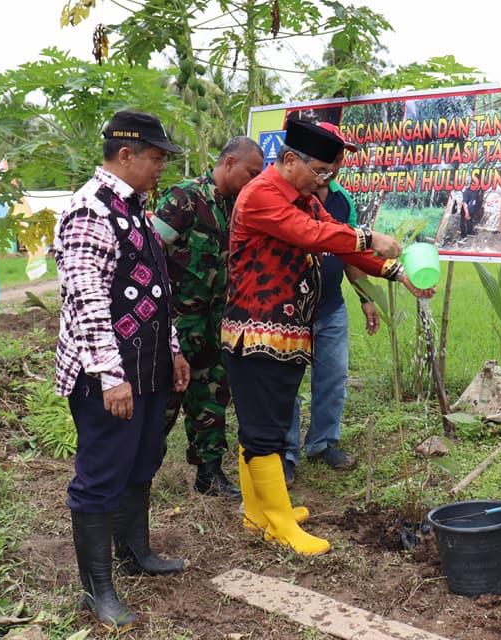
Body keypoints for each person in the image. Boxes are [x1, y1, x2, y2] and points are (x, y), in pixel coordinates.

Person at [221, 117, 433, 556]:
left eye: (330, 175)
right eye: (320, 172)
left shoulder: (303, 197)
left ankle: (257, 513)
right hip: (256, 331)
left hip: (285, 333)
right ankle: (278, 523)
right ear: (291, 158)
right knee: (264, 432)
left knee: (266, 425)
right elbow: (312, 235)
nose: (324, 182)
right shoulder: (261, 194)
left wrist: (398, 273)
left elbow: (340, 247)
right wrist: (369, 235)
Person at [54, 109, 191, 630]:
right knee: (101, 475)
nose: (161, 167)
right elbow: (86, 301)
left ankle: (136, 553)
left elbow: (155, 287)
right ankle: (97, 590)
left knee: (142, 460)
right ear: (126, 154)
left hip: (149, 365)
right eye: (156, 158)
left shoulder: (132, 206)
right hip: (107, 373)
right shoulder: (90, 210)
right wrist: (112, 377)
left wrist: (173, 349)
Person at [151, 137, 264, 498]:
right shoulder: (184, 198)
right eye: (251, 172)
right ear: (229, 163)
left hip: (216, 325)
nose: (255, 180)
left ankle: (209, 475)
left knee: (213, 397)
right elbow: (149, 255)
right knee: (162, 402)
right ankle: (136, 475)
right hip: (175, 327)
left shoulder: (239, 207)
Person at [284, 122, 376, 484]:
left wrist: (367, 299)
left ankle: (322, 443)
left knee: (333, 379)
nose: (337, 165)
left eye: (339, 159)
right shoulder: (286, 195)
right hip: (290, 310)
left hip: (331, 306)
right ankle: (285, 452)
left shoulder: (341, 200)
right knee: (287, 382)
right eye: (332, 157)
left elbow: (352, 252)